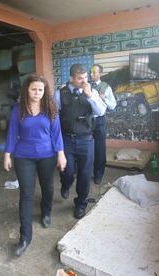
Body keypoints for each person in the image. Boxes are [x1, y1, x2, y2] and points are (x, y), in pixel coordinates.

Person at [3, 74, 67, 257]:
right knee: (26, 195)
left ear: (44, 91)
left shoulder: (50, 107)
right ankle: (25, 238)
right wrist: (7, 154)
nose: (37, 93)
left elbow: (57, 133)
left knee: (47, 187)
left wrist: (61, 154)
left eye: (40, 89)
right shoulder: (18, 109)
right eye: (33, 89)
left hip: (47, 155)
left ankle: (46, 213)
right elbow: (12, 133)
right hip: (23, 156)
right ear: (27, 90)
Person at [54, 64, 107, 219]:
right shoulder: (60, 93)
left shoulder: (91, 91)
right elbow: (54, 116)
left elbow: (101, 112)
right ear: (71, 79)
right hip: (67, 140)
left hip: (86, 140)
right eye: (80, 78)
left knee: (84, 174)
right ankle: (65, 183)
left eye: (85, 77)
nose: (84, 81)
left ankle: (80, 204)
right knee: (67, 171)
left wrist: (90, 95)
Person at [90, 64, 117, 184]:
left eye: (94, 72)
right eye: (91, 72)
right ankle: (84, 172)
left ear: (100, 74)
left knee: (99, 149)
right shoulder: (86, 86)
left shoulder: (106, 87)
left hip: (99, 121)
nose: (91, 74)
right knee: (85, 147)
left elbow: (113, 105)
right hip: (85, 120)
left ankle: (98, 174)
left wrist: (103, 98)